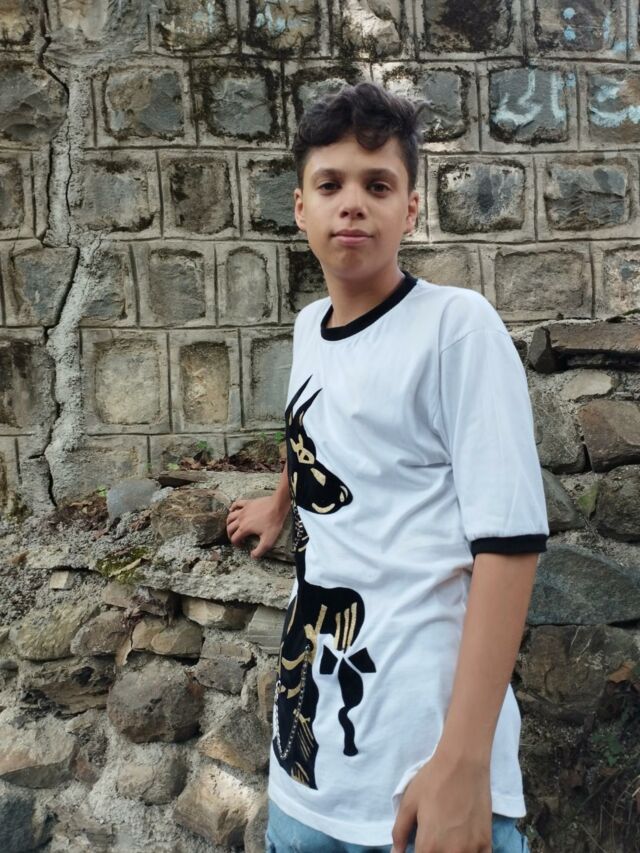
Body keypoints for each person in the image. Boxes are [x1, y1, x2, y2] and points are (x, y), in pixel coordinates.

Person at [225, 82, 548, 853]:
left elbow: (509, 544)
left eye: (378, 185)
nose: (352, 204)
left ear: (410, 208)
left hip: (425, 771)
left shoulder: (456, 329)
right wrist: (281, 502)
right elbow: (315, 422)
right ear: (300, 207)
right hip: (306, 782)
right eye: (329, 185)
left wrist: (463, 766)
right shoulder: (310, 326)